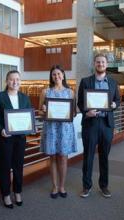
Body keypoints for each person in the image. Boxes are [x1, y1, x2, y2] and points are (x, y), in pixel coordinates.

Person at [77, 53, 120, 198]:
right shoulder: (85, 81)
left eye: (103, 62)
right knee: (88, 156)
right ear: (94, 64)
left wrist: (114, 105)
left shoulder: (113, 83)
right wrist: (86, 112)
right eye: (98, 62)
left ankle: (104, 186)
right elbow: (80, 102)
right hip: (90, 123)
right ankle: (86, 186)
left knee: (104, 157)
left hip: (107, 124)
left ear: (106, 65)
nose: (100, 64)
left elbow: (117, 101)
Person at [0, 70, 32, 208]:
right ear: (7, 81)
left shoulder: (24, 97)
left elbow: (28, 116)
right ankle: (6, 194)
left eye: (17, 79)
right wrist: (1, 129)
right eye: (12, 79)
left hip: (20, 138)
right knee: (5, 167)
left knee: (18, 167)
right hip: (5, 138)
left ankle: (17, 192)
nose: (15, 82)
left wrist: (29, 127)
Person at [40, 65, 77, 199]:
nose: (57, 77)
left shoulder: (70, 92)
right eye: (54, 74)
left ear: (63, 75)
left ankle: (62, 186)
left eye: (59, 74)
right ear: (51, 76)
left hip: (65, 128)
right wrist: (43, 109)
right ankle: (54, 186)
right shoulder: (45, 92)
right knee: (53, 157)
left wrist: (70, 113)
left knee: (63, 157)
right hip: (51, 129)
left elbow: (74, 112)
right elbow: (40, 112)